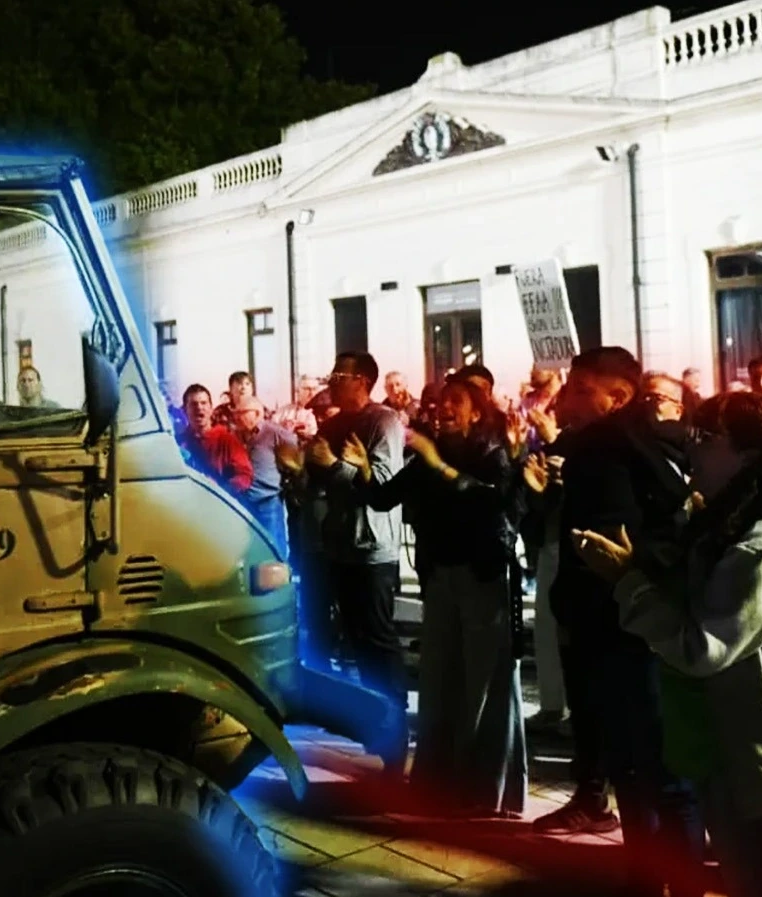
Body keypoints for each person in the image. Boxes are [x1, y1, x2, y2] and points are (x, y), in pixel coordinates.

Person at [574, 393, 762, 897]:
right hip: (738, 748)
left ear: (751, 457)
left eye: (707, 440)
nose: (691, 448)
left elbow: (703, 647)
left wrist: (626, 581)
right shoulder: (728, 524)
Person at [538, 347, 704, 896]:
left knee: (652, 773)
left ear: (619, 397)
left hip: (620, 631)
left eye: (581, 390)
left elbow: (611, 545)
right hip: (636, 625)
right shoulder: (641, 445)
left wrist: (590, 601)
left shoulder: (606, 451)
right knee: (643, 772)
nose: (566, 401)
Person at [341, 377, 528, 815]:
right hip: (440, 576)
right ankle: (439, 781)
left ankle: (484, 790)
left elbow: (494, 501)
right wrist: (360, 468)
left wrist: (438, 463)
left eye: (454, 403)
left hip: (483, 575)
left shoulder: (491, 451)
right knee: (441, 679)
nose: (442, 410)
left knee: (484, 682)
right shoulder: (426, 455)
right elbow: (385, 498)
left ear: (475, 412)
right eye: (438, 403)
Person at [281, 351, 408, 771]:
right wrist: (295, 471)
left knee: (377, 643)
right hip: (335, 548)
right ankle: (367, 727)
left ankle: (395, 733)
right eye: (332, 373)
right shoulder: (334, 425)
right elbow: (312, 487)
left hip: (371, 549)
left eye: (340, 374)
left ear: (363, 381)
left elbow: (384, 486)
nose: (332, 381)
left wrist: (334, 466)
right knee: (349, 641)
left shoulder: (383, 422)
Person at [231, 394, 296, 550]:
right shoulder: (235, 435)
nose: (237, 417)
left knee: (273, 550)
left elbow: (295, 451)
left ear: (258, 414)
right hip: (244, 503)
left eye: (242, 413)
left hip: (268, 502)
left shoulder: (274, 432)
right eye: (236, 413)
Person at [178, 384, 252, 497]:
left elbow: (245, 475)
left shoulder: (227, 440)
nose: (199, 408)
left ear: (211, 409)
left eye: (204, 403)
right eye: (193, 404)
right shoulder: (178, 442)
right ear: (184, 410)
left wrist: (220, 491)